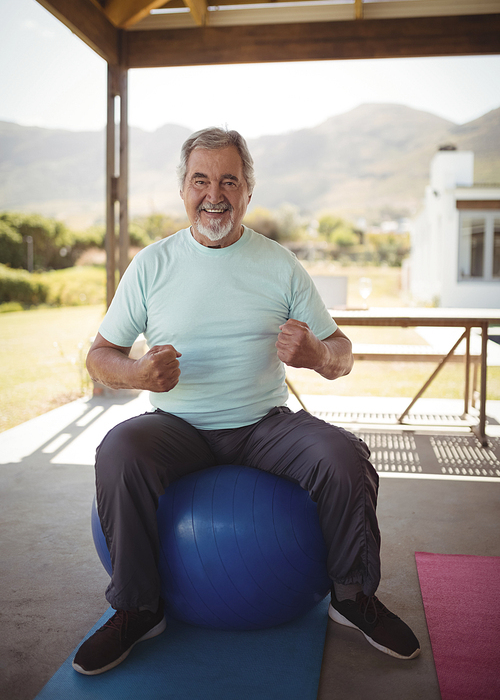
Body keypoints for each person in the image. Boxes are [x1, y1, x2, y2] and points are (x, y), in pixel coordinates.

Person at [73, 127, 420, 676]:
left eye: (229, 180)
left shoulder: (279, 264)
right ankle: (139, 608)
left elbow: (343, 351)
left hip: (264, 425)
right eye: (201, 180)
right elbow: (99, 354)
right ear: (183, 190)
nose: (215, 194)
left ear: (248, 192)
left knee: (345, 456)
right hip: (177, 425)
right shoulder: (151, 265)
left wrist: (314, 354)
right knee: (119, 450)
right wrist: (137, 370)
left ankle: (352, 599)